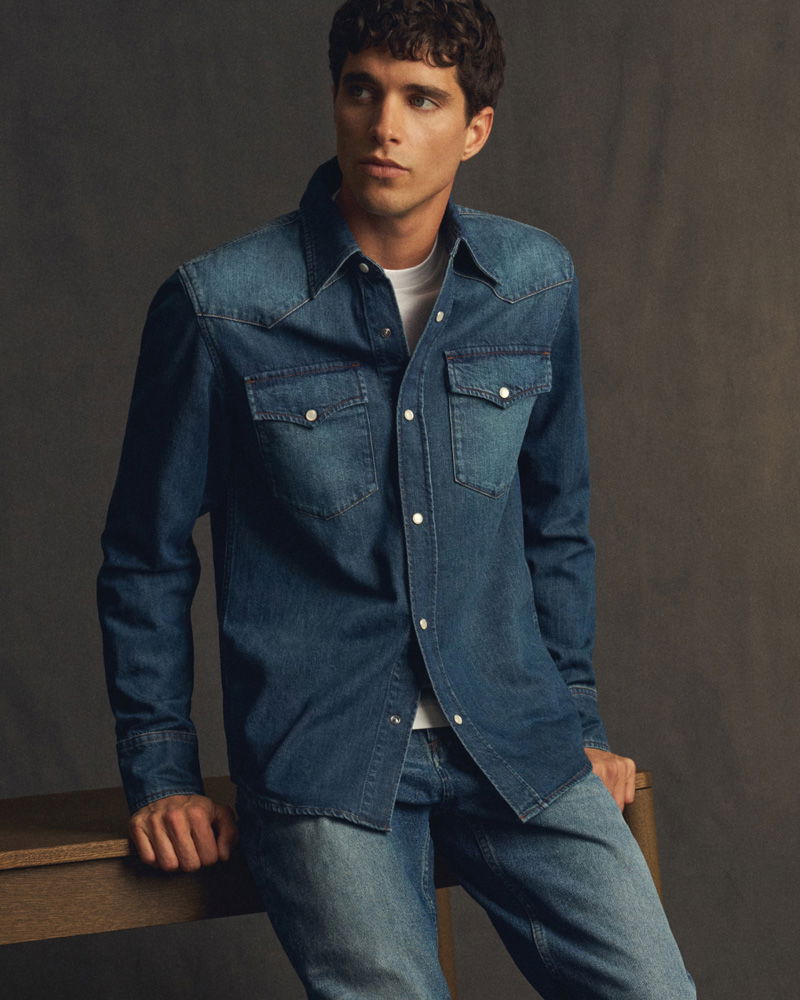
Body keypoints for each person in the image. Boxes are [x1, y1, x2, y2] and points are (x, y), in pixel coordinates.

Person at [97, 1, 696, 996]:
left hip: (512, 735)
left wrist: (580, 718)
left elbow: (554, 523)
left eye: (421, 99)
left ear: (474, 127)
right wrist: (162, 772)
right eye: (361, 91)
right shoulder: (221, 307)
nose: (384, 126)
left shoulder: (531, 284)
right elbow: (144, 556)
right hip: (325, 759)